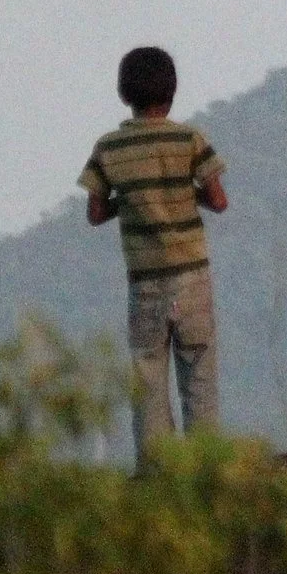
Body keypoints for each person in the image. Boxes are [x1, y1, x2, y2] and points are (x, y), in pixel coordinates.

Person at [80, 46, 228, 455]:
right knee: (199, 372)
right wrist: (188, 193)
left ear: (123, 93)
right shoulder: (189, 139)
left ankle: (157, 470)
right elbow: (219, 201)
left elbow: (95, 213)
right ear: (172, 92)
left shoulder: (109, 148)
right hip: (192, 276)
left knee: (147, 375)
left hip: (145, 282)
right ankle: (206, 465)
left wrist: (130, 198)